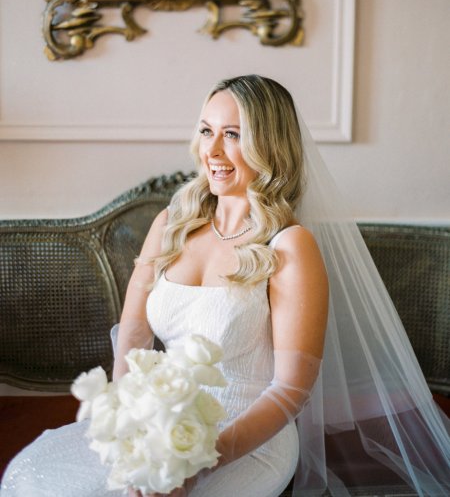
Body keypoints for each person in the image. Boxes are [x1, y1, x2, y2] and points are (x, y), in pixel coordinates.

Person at [1, 75, 449, 497]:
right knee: (34, 482)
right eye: (206, 130)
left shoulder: (290, 245)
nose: (211, 150)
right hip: (161, 422)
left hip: (250, 437)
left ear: (269, 146)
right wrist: (131, 427)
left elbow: (291, 388)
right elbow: (134, 338)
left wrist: (198, 463)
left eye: (233, 135)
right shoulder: (170, 225)